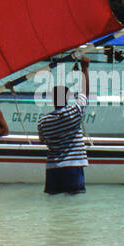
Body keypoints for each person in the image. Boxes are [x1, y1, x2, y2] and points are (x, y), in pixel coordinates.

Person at [36, 57, 90, 195]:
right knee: (73, 207)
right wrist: (84, 69)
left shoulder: (43, 122)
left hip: (52, 170)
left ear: (53, 100)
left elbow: (43, 140)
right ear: (66, 98)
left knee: (54, 207)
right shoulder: (74, 112)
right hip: (72, 168)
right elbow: (85, 93)